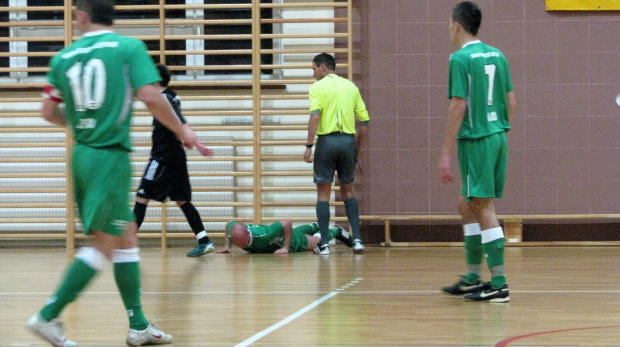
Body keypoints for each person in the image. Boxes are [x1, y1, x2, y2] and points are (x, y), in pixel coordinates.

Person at [25, 0, 210, 345]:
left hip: (82, 154)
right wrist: (184, 130)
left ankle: (138, 324)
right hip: (110, 156)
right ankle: (48, 316)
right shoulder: (128, 48)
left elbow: (49, 111)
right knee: (105, 244)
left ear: (82, 16)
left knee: (125, 235)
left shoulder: (63, 58)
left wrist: (80, 125)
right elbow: (151, 96)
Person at [438, 1, 517, 303]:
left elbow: (458, 106)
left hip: (476, 140)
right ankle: (473, 276)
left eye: (449, 23)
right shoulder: (498, 55)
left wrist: (445, 153)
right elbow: (512, 102)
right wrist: (499, 133)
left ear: (456, 25)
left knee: (483, 207)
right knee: (465, 203)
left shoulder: (459, 58)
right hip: (498, 136)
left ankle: (499, 283)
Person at [133, 63, 215, 257]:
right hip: (176, 155)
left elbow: (178, 122)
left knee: (142, 197)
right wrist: (195, 142)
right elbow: (182, 122)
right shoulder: (171, 96)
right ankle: (204, 240)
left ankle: (126, 245)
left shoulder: (164, 98)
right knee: (182, 199)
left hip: (163, 157)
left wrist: (192, 140)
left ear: (154, 80)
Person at [304, 53, 369, 256]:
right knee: (348, 191)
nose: (313, 73)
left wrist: (308, 145)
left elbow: (315, 116)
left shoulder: (317, 88)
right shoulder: (351, 87)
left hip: (327, 142)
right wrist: (356, 149)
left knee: (323, 193)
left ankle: (324, 245)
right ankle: (357, 240)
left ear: (323, 67)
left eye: (314, 68)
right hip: (348, 141)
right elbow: (365, 123)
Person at [216, 220, 354, 254]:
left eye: (243, 242)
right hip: (279, 237)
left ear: (247, 233)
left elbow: (287, 223)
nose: (241, 246)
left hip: (290, 242)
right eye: (237, 243)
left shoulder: (266, 234)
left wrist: (286, 248)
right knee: (294, 231)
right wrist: (227, 246)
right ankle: (314, 226)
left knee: (317, 242)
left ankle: (335, 230)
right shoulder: (233, 230)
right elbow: (229, 223)